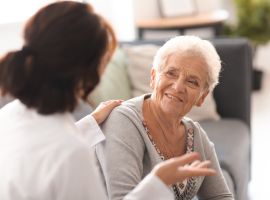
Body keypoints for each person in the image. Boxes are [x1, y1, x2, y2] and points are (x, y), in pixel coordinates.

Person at [0, 1, 216, 200]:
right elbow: (58, 153)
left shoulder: (9, 115)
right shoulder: (72, 153)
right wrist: (157, 182)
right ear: (88, 72)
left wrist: (89, 123)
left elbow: (44, 150)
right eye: (105, 60)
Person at [97, 35, 234, 200]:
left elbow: (220, 196)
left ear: (202, 97)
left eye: (192, 82)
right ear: (153, 77)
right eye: (171, 73)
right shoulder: (123, 121)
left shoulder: (195, 135)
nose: (178, 87)